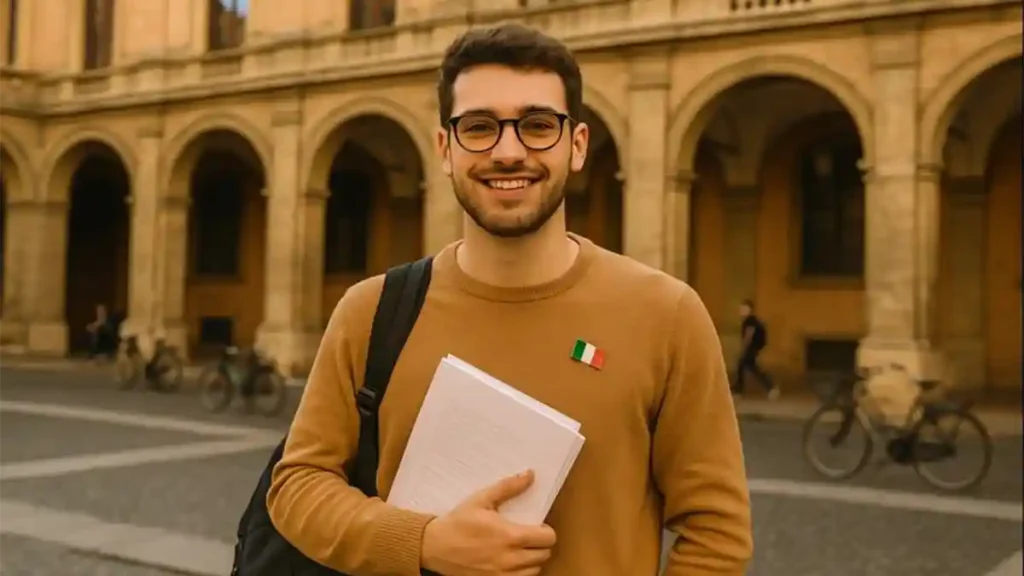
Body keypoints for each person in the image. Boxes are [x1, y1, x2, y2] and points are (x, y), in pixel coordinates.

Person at [267, 23, 752, 576]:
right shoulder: (370, 310)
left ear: (577, 146)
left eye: (537, 125)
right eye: (479, 128)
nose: (508, 151)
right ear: (445, 150)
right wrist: (423, 542)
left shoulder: (667, 315)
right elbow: (297, 485)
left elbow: (716, 532)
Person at [734, 299, 778, 400]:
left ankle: (738, 390)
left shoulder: (750, 320)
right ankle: (771, 388)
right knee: (753, 369)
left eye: (744, 309)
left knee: (741, 365)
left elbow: (749, 334)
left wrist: (744, 348)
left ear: (750, 310)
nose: (741, 311)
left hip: (752, 348)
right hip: (754, 348)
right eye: (741, 309)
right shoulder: (750, 320)